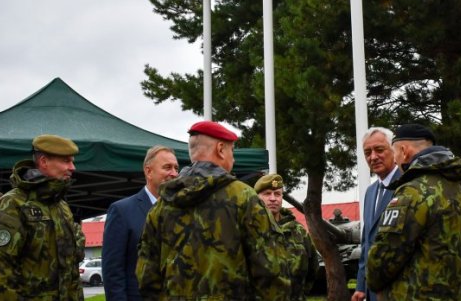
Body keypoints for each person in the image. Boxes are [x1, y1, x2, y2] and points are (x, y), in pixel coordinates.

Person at [136, 120, 290, 300]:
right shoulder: (243, 198)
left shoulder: (162, 206)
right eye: (232, 151)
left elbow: (146, 276)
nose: (233, 158)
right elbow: (271, 272)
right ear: (220, 149)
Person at [366, 123, 461, 300]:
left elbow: (383, 260)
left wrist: (373, 281)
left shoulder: (413, 192)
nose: (395, 161)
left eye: (395, 154)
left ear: (404, 150)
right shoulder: (457, 190)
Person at [0, 134, 85, 301]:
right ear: (44, 162)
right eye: (66, 161)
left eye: (72, 161)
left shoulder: (61, 206)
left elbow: (71, 268)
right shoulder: (15, 203)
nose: (72, 167)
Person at [102, 145, 179, 301]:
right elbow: (113, 272)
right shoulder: (122, 211)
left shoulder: (181, 210)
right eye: (167, 167)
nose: (174, 173)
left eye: (176, 168)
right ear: (148, 171)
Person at [352, 127, 401, 301]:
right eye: (367, 152)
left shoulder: (407, 185)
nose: (373, 157)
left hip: (399, 289)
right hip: (373, 291)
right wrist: (361, 286)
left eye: (379, 150)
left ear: (394, 150)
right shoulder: (370, 192)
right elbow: (367, 241)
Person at [255, 173, 319, 301]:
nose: (273, 199)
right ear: (256, 198)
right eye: (267, 194)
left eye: (277, 194)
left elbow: (313, 269)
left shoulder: (298, 231)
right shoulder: (249, 230)